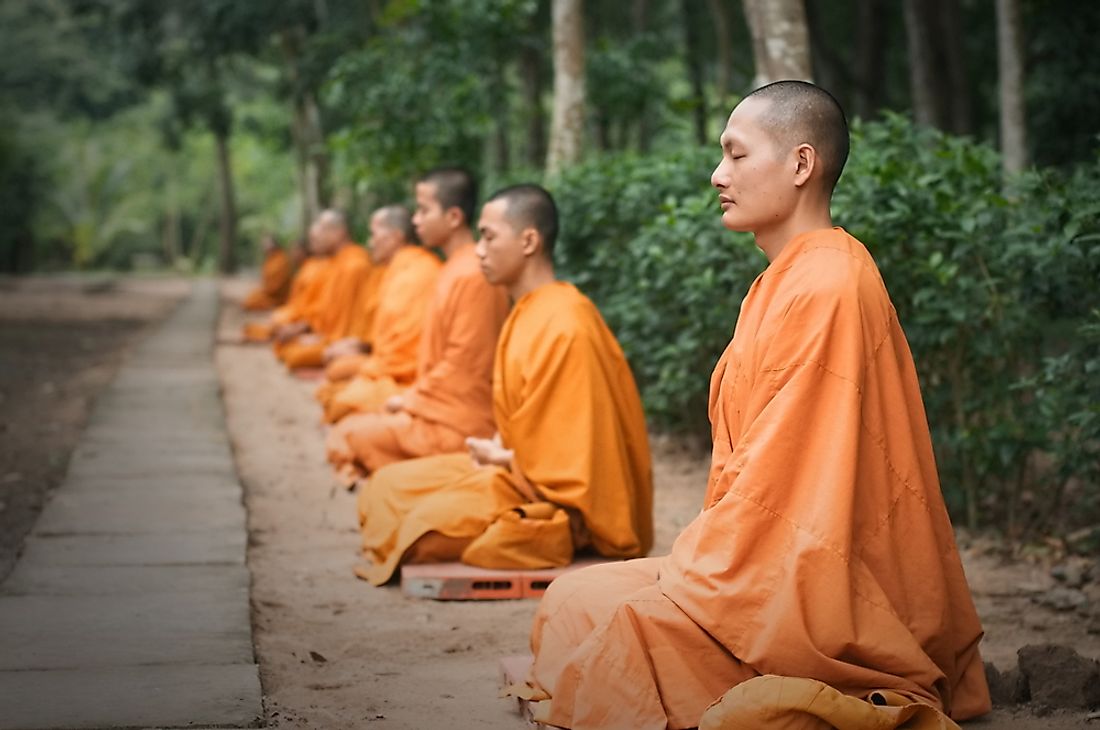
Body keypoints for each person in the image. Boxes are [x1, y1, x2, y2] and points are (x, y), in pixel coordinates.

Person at [512, 81, 992, 730]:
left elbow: (793, 492)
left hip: (814, 590)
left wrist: (705, 574)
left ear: (800, 165)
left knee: (623, 637)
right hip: (752, 559)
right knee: (572, 598)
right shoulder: (778, 282)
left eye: (736, 156)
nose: (718, 175)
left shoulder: (830, 286)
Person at [353, 184, 653, 585]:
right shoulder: (527, 312)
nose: (478, 250)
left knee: (418, 527)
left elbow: (580, 468)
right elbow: (535, 429)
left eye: (489, 237)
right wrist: (501, 451)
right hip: (517, 476)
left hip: (560, 507)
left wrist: (507, 459)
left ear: (528, 241)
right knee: (385, 487)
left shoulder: (567, 325)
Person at [325, 167, 509, 480]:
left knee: (347, 435)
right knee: (347, 424)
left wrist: (411, 400)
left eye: (424, 210)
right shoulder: (452, 268)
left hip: (458, 422)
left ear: (453, 217)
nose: (415, 220)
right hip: (433, 403)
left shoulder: (474, 275)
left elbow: (465, 367)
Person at [316, 205, 442, 422]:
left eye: (374, 234)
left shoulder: (417, 274)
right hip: (381, 360)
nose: (370, 242)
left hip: (404, 374)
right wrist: (359, 345)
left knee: (337, 397)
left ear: (395, 237)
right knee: (332, 387)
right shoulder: (394, 271)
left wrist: (369, 367)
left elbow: (409, 351)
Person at [273, 210, 378, 370]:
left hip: (346, 341)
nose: (316, 237)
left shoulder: (355, 266)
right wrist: (309, 330)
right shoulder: (334, 264)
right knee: (288, 345)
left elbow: (356, 322)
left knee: (295, 355)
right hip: (328, 336)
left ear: (339, 232)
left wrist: (329, 340)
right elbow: (325, 310)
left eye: (322, 229)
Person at [242, 227, 330, 343]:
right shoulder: (303, 268)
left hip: (282, 301)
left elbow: (313, 303)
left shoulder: (314, 268)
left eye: (294, 250)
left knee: (276, 318)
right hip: (293, 308)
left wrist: (300, 325)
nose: (292, 253)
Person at [242, 233, 293, 311]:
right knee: (250, 297)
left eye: (266, 243)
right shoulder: (269, 259)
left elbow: (278, 285)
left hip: (278, 296)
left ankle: (275, 305)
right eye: (263, 244)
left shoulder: (282, 259)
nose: (264, 246)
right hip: (268, 293)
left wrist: (267, 289)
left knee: (251, 301)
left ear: (274, 244)